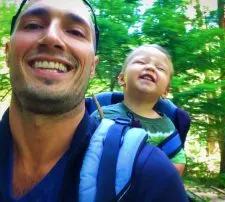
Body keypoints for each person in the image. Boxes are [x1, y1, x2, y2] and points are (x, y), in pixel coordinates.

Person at [0, 0, 188, 201]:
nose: (52, 37)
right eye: (33, 25)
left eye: (75, 32)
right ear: (7, 52)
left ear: (92, 67)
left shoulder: (154, 177)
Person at [91, 44, 186, 175]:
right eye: (141, 62)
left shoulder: (166, 127)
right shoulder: (101, 114)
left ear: (166, 91)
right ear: (122, 78)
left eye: (160, 68)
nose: (150, 67)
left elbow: (177, 164)